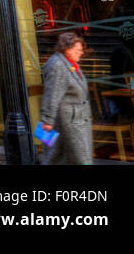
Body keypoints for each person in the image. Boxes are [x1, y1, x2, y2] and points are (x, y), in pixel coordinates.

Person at [39, 30, 93, 165]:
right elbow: (52, 93)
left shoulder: (70, 63)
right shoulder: (58, 65)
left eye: (81, 50)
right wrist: (47, 119)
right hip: (69, 122)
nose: (81, 53)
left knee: (62, 157)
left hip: (75, 120)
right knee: (77, 159)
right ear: (67, 49)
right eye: (77, 50)